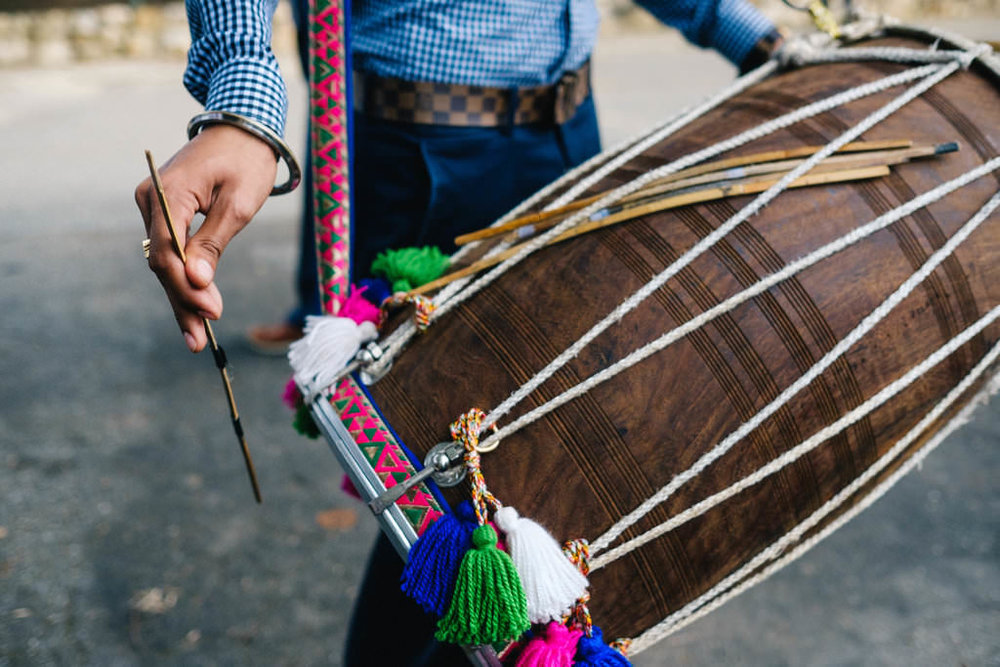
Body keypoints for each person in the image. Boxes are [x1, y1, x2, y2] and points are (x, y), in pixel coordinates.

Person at [135, 0, 782, 662]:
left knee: (545, 476)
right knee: (453, 487)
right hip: (423, 148)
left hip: (571, 135)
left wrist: (743, 31)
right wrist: (244, 101)